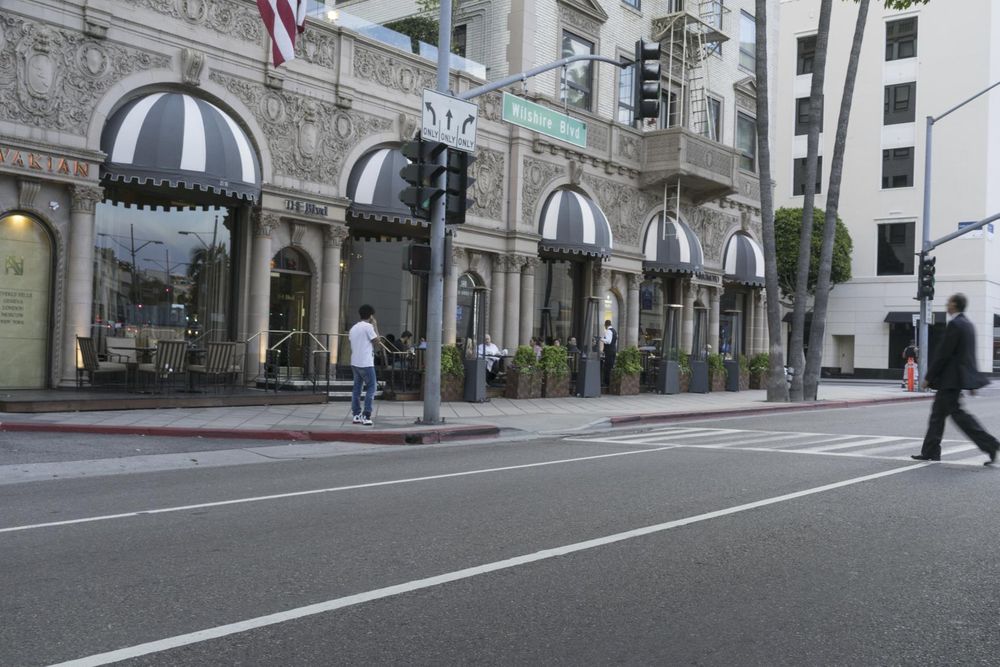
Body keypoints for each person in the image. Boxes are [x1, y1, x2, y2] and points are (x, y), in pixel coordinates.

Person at [911, 293, 998, 465]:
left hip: (950, 381)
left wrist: (929, 377)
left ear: (955, 305)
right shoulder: (968, 325)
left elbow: (944, 354)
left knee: (958, 416)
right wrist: (971, 381)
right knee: (938, 415)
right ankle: (930, 451)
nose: (947, 305)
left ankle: (990, 444)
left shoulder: (956, 325)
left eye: (949, 303)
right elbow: (969, 356)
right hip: (955, 379)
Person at [349, 304, 379, 426]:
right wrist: (375, 325)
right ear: (371, 315)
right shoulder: (368, 327)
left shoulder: (353, 328)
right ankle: (366, 415)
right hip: (366, 362)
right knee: (372, 387)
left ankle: (356, 414)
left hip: (355, 362)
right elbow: (377, 342)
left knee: (357, 388)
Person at [602, 319, 618, 386]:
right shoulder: (614, 331)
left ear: (606, 325)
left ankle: (607, 382)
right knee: (611, 366)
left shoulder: (608, 331)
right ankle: (610, 382)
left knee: (607, 367)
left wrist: (601, 339)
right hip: (613, 350)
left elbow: (608, 341)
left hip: (609, 351)